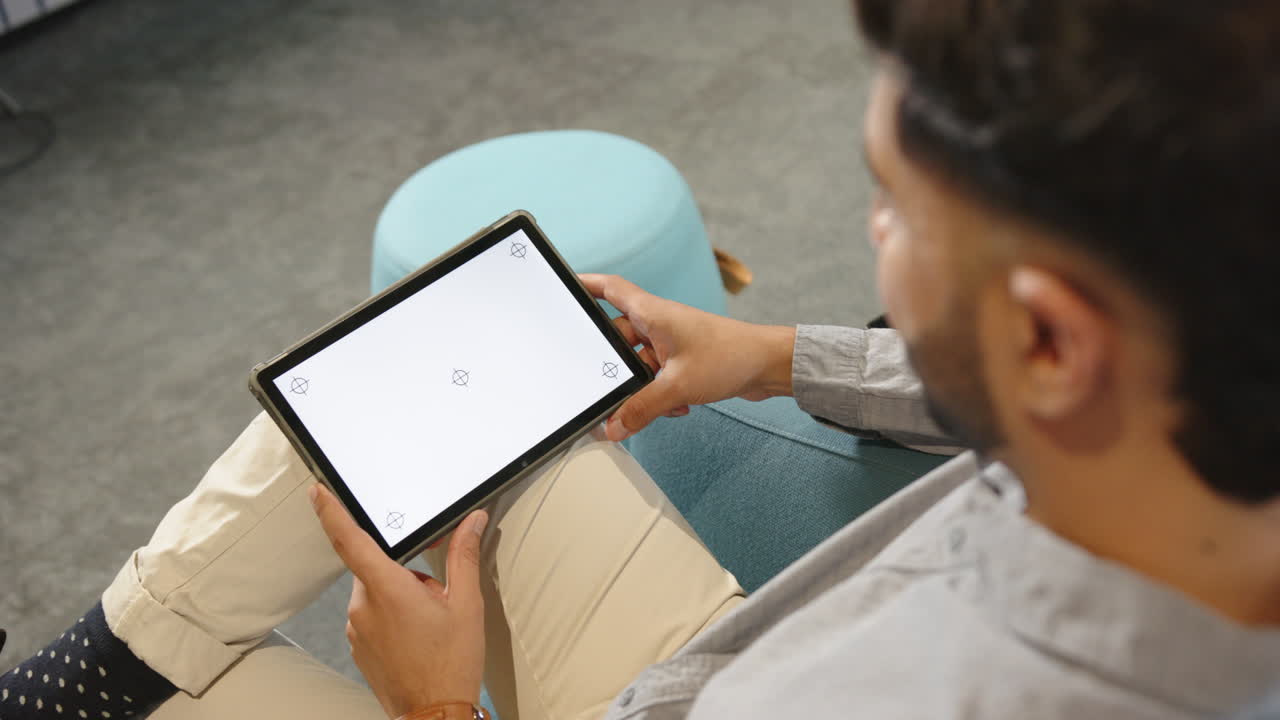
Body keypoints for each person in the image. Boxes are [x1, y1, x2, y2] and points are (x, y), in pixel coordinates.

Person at [4, 0, 1280, 717]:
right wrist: (772, 355)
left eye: (895, 209)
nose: (868, 234)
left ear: (1045, 341)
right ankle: (99, 659)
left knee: (204, 682)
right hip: (713, 661)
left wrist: (432, 707)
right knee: (448, 394)